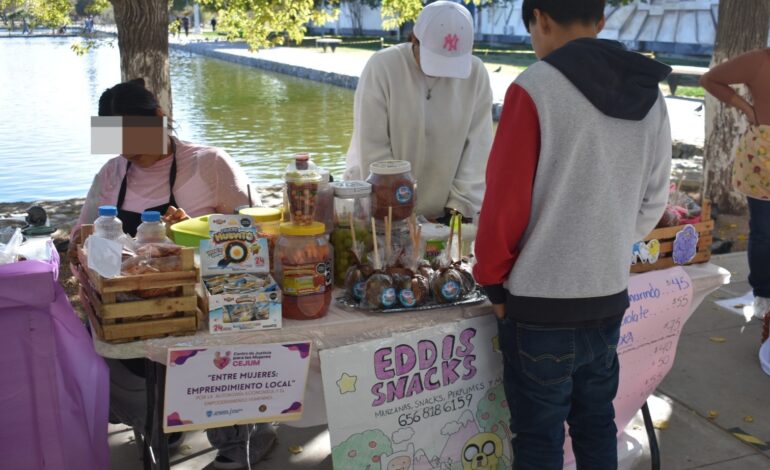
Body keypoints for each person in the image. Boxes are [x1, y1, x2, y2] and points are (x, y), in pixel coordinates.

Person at [472, 1, 672, 469]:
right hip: (607, 295)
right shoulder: (651, 93)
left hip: (540, 305)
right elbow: (654, 200)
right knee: (596, 423)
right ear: (599, 22)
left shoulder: (534, 87)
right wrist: (608, 239)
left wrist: (493, 281)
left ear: (540, 18)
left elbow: (503, 206)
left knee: (539, 439)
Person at [70, 79, 274, 470]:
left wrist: (194, 227)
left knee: (206, 343)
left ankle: (242, 436)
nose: (126, 147)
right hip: (134, 303)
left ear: (159, 119)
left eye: (132, 133)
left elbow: (255, 235)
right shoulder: (112, 173)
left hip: (202, 302)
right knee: (94, 337)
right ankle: (158, 423)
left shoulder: (209, 163)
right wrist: (93, 242)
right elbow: (83, 234)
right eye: (116, 136)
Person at [344, 0, 493, 222]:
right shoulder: (382, 67)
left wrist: (457, 209)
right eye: (435, 60)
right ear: (415, 39)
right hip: (380, 208)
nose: (443, 73)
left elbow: (478, 150)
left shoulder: (476, 74)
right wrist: (399, 212)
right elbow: (372, 147)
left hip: (443, 214)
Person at [700, 50, 770, 321]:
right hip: (764, 156)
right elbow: (710, 80)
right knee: (764, 231)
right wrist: (746, 108)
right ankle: (764, 294)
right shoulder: (760, 59)